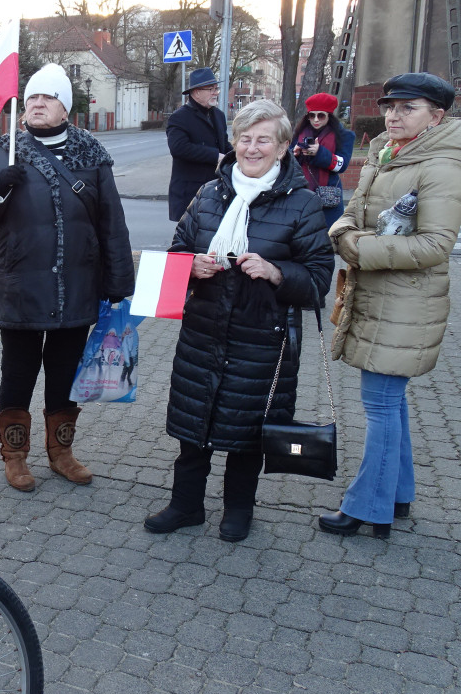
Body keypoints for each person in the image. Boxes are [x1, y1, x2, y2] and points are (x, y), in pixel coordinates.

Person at [145, 99, 334, 542]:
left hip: (263, 340)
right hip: (203, 332)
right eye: (245, 138)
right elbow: (176, 252)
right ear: (234, 142)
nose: (252, 148)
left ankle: (238, 510)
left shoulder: (302, 204)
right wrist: (191, 265)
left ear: (284, 146)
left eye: (263, 139)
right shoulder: (209, 194)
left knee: (247, 432)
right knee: (194, 427)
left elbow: (318, 280)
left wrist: (276, 272)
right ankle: (186, 505)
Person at [0, 63, 135, 492]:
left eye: (48, 97)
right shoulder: (5, 149)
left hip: (78, 286)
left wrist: (119, 284)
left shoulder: (92, 154)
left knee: (64, 373)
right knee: (18, 372)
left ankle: (61, 453)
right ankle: (15, 457)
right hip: (21, 286)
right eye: (32, 98)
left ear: (65, 106)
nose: (37, 103)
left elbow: (111, 222)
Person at [320, 72, 461, 539]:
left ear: (436, 116)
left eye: (408, 108)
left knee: (380, 406)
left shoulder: (438, 166)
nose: (393, 115)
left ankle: (369, 507)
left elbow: (437, 244)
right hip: (378, 298)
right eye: (389, 106)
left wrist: (357, 249)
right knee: (390, 405)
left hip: (405, 305)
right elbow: (352, 210)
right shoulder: (389, 152)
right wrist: (343, 232)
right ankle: (397, 494)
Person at [166, 67, 234, 221]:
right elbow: (179, 148)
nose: (216, 92)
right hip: (190, 193)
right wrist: (215, 156)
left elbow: (224, 143)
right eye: (211, 89)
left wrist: (237, 156)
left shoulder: (218, 115)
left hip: (216, 189)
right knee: (190, 241)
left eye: (216, 88)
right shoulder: (179, 118)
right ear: (196, 92)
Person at [291, 92, 356, 228]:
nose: (316, 120)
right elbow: (287, 162)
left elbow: (342, 165)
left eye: (321, 115)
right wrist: (294, 153)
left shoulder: (344, 136)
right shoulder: (299, 133)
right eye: (312, 115)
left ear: (329, 116)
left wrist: (319, 153)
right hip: (301, 192)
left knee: (328, 235)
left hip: (327, 196)